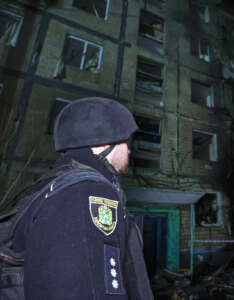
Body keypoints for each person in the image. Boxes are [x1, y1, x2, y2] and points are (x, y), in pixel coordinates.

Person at [12, 97, 154, 300]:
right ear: (104, 143)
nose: (129, 149)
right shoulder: (88, 192)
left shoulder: (56, 186)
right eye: (125, 141)